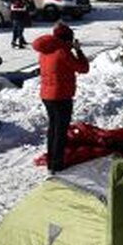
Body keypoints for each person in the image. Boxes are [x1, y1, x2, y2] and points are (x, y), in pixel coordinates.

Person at [33, 23, 90, 173]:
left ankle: (52, 161)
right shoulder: (62, 51)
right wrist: (78, 50)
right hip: (61, 96)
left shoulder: (45, 50)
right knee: (60, 131)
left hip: (47, 95)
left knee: (53, 129)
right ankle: (57, 165)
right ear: (67, 39)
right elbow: (83, 68)